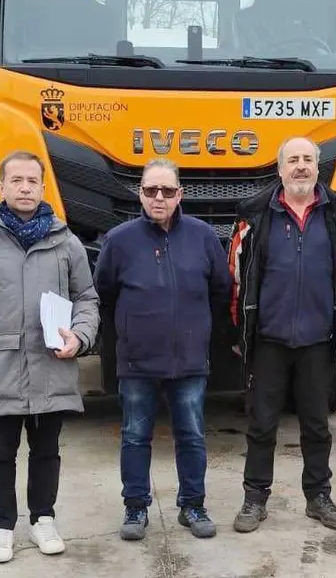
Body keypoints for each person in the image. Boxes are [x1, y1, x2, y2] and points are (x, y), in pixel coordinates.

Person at [0, 150, 100, 564]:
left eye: (33, 181)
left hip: (52, 366)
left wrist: (81, 337)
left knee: (46, 449)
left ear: (43, 187)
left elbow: (87, 299)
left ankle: (43, 518)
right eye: (17, 180)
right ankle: (0, 527)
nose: (25, 188)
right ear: (1, 187)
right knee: (0, 450)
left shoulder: (66, 244)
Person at [226, 137, 336, 535]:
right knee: (261, 424)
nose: (301, 167)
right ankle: (255, 498)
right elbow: (237, 278)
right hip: (269, 342)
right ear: (280, 169)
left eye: (308, 159)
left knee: (317, 425)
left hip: (318, 344)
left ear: (318, 167)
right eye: (293, 160)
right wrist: (243, 332)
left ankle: (318, 497)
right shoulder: (256, 218)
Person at [93, 158, 231, 542]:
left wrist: (202, 334)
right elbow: (103, 292)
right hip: (137, 361)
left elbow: (221, 291)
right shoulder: (119, 241)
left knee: (192, 436)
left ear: (180, 194)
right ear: (139, 193)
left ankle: (192, 505)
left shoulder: (203, 237)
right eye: (151, 190)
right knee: (136, 436)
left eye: (167, 191)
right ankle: (135, 508)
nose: (159, 197)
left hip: (189, 361)